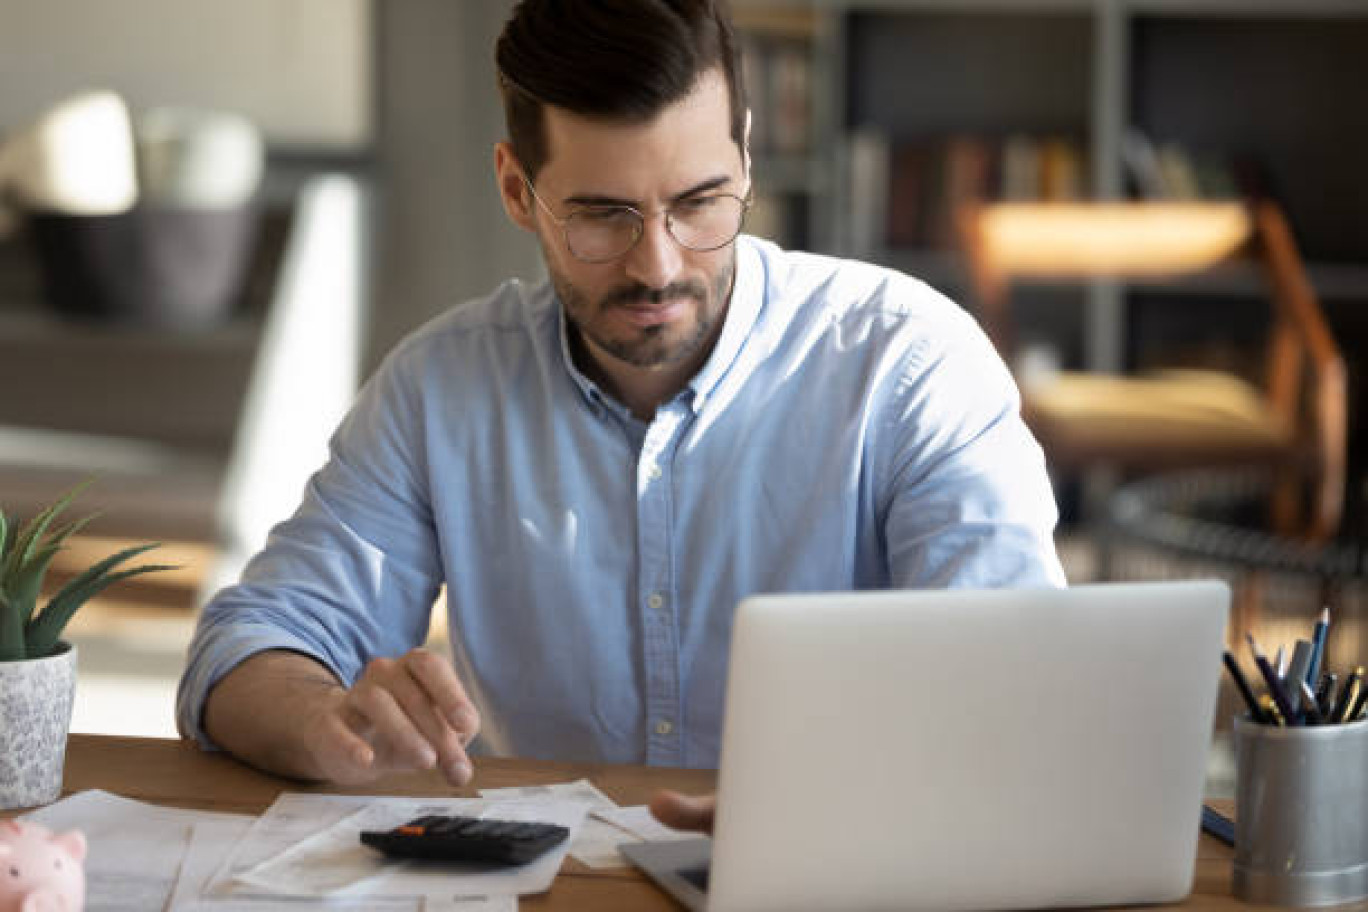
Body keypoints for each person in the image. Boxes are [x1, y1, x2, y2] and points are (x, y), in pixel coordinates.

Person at [176, 0, 1065, 822]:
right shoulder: (439, 387)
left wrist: (821, 808)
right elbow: (247, 645)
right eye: (603, 217)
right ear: (518, 191)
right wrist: (324, 717)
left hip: (846, 874)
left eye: (699, 203)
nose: (658, 266)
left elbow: (1015, 682)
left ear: (747, 159)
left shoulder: (908, 365)